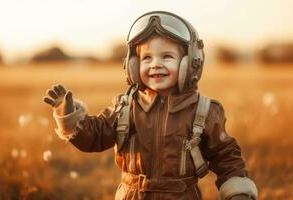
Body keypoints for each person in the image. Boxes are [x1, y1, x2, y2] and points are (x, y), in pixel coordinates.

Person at [43, 11, 257, 200]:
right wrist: (68, 115)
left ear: (190, 63)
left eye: (167, 56)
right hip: (131, 195)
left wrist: (237, 191)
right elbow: (95, 136)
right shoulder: (125, 107)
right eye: (146, 58)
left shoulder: (203, 111)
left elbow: (225, 155)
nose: (155, 64)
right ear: (133, 65)